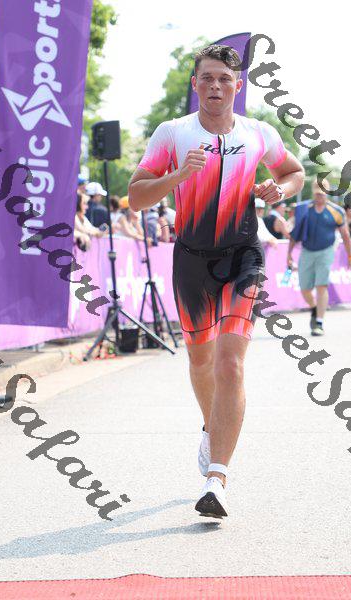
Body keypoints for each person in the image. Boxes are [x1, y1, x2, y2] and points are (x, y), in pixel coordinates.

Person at [128, 44, 304, 518]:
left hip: (243, 256)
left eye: (224, 79)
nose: (215, 86)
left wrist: (279, 189)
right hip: (191, 261)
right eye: (207, 77)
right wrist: (177, 176)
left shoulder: (258, 132)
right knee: (202, 361)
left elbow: (294, 173)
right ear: (195, 84)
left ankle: (217, 479)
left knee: (230, 364)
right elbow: (136, 197)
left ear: (237, 86)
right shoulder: (173, 133)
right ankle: (213, 428)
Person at [287, 180, 351, 336]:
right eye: (317, 193)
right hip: (307, 251)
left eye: (322, 193)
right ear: (313, 192)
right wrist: (288, 254)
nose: (320, 196)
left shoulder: (337, 211)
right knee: (305, 288)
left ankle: (319, 322)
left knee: (321, 285)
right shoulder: (304, 209)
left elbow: (345, 235)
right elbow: (295, 234)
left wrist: (350, 256)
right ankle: (314, 308)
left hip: (326, 251)